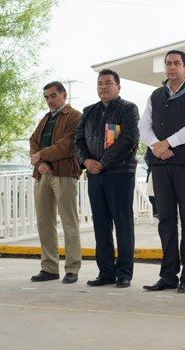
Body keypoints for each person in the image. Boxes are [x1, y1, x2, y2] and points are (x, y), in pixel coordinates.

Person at [139, 50, 185, 294]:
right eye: (168, 63)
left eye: (176, 63)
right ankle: (168, 275)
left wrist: (167, 143)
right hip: (160, 165)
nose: (172, 67)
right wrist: (157, 147)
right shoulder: (155, 95)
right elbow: (144, 125)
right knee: (166, 222)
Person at [74, 69, 140, 288]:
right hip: (95, 175)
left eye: (108, 83)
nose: (103, 87)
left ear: (118, 87)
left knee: (123, 224)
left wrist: (103, 162)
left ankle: (124, 273)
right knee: (101, 225)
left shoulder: (128, 109)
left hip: (120, 172)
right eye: (100, 83)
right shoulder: (89, 111)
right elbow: (79, 141)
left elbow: (128, 139)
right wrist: (86, 162)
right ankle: (105, 273)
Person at [29, 81, 82, 284]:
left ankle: (72, 268)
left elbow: (67, 146)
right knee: (44, 222)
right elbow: (33, 141)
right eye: (47, 97)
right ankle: (49, 268)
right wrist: (41, 162)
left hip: (64, 174)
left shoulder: (75, 117)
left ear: (64, 94)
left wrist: (41, 155)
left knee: (69, 222)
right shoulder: (45, 119)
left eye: (53, 95)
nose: (49, 100)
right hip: (42, 174)